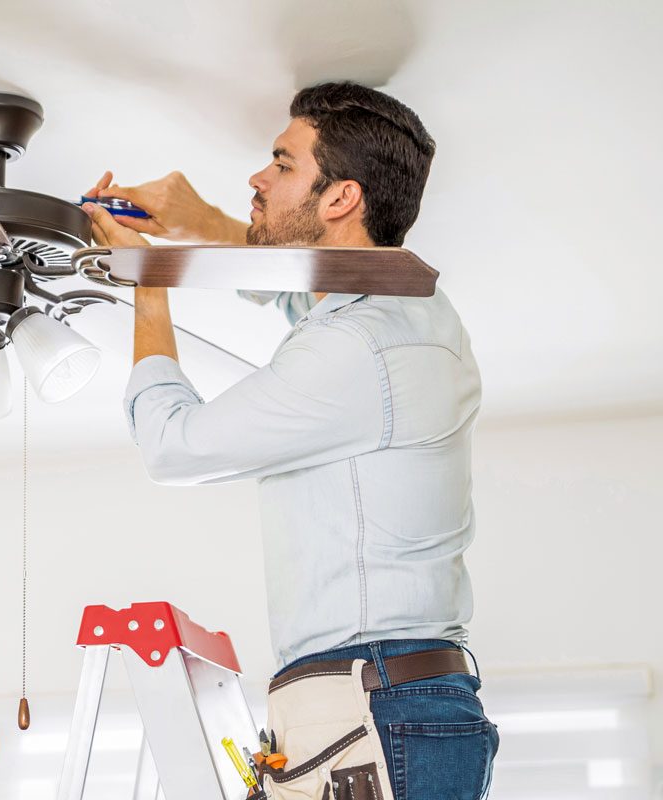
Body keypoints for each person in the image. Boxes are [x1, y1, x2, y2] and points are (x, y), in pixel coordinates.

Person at [80, 81, 498, 799]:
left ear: (340, 198)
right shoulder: (403, 313)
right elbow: (290, 284)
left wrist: (148, 282)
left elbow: (174, 446)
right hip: (376, 701)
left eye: (281, 163)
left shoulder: (359, 347)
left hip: (372, 703)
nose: (257, 177)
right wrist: (196, 220)